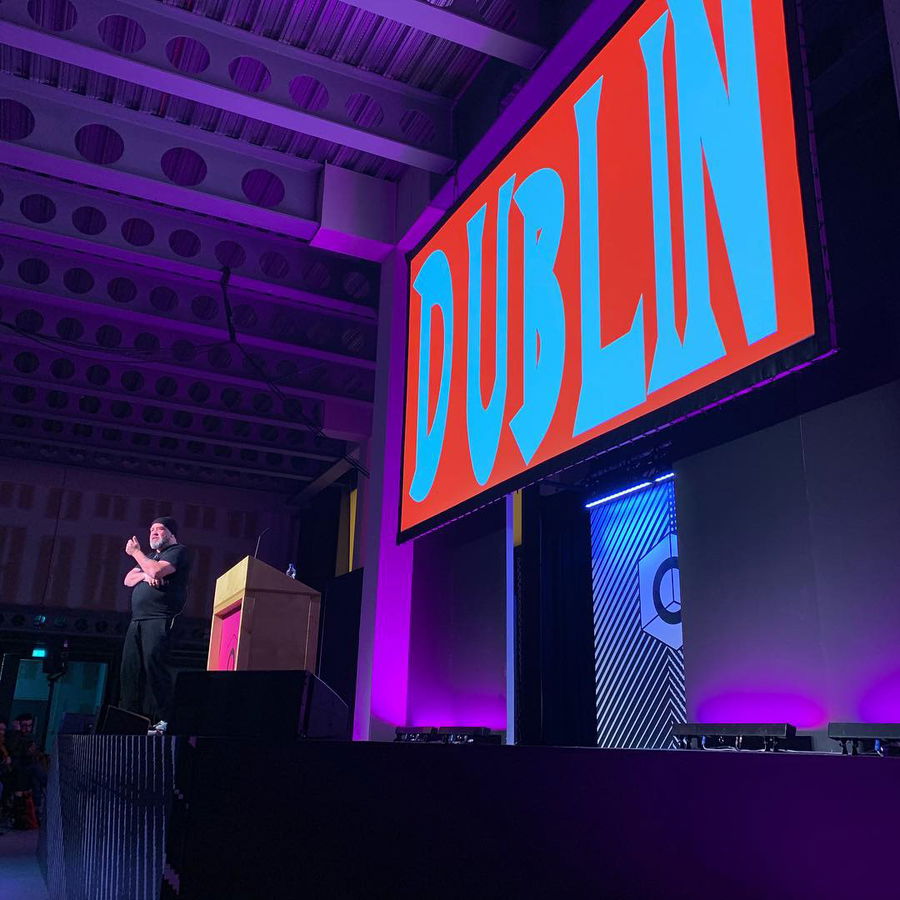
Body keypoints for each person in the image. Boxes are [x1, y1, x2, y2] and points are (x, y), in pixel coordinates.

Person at [121, 516, 192, 734]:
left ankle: (166, 718)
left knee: (155, 668)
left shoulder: (177, 551)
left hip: (160, 618)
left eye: (160, 529)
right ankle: (129, 719)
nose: (153, 532)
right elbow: (128, 580)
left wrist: (136, 553)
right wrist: (146, 573)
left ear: (171, 534)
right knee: (130, 671)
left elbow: (157, 571)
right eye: (151, 529)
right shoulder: (151, 557)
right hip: (137, 621)